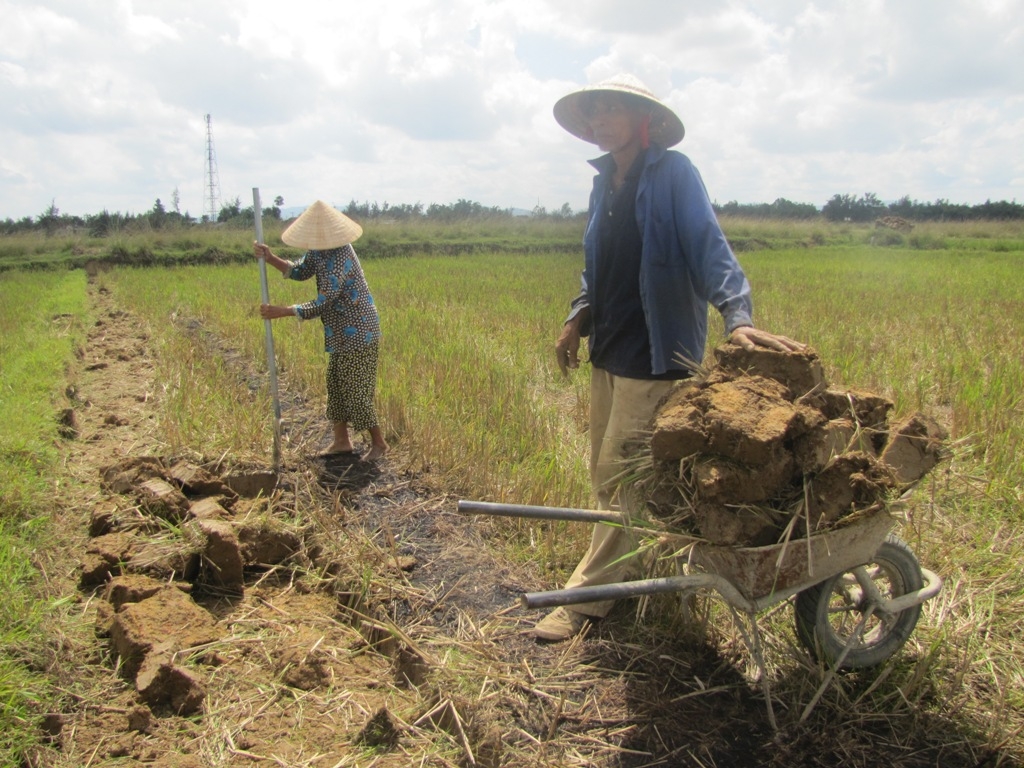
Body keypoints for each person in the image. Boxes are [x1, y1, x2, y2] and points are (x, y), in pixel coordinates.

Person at [533, 74, 804, 641]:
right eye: (594, 113)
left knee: (621, 478)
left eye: (611, 110)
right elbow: (597, 267)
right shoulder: (604, 183)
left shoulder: (675, 174)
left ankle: (589, 600)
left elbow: (710, 248)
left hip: (656, 356)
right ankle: (630, 565)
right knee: (606, 476)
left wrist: (739, 316)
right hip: (609, 349)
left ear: (643, 120)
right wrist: (576, 318)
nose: (599, 121)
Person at [253, 200, 389, 462]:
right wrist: (270, 258)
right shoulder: (318, 251)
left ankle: (379, 443)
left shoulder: (340, 256)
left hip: (360, 331)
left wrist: (282, 311)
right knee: (336, 385)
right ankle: (341, 441)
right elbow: (301, 271)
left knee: (357, 391)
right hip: (339, 332)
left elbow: (323, 302)